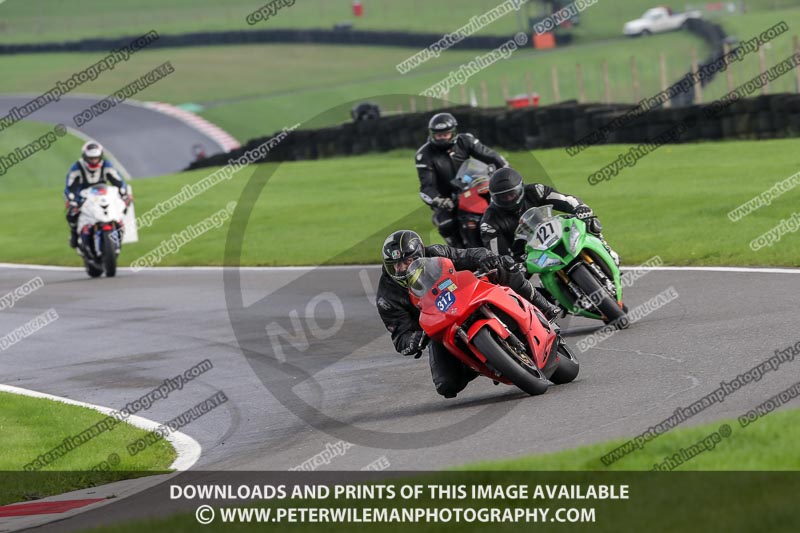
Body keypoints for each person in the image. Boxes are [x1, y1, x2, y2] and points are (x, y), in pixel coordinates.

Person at [376, 230, 562, 399]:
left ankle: (542, 305)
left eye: (407, 261)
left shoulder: (436, 253)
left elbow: (468, 255)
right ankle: (482, 361)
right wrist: (412, 341)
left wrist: (485, 258)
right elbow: (400, 337)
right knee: (447, 385)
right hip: (438, 326)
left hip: (466, 293)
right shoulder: (386, 296)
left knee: (504, 267)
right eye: (396, 266)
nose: (402, 269)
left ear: (420, 253)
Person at [480, 167, 619, 264]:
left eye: (511, 194)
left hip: (554, 233)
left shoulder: (535, 191)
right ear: (493, 197)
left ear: (521, 188)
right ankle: (549, 305)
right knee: (513, 283)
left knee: (586, 221)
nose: (508, 199)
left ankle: (606, 250)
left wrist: (579, 207)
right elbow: (497, 254)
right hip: (527, 257)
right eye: (502, 197)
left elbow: (565, 200)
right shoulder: (489, 222)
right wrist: (509, 264)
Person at [415, 112, 508, 247]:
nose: (441, 138)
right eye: (438, 134)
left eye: (444, 134)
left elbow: (492, 157)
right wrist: (440, 200)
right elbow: (427, 186)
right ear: (432, 134)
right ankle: (461, 253)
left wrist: (506, 172)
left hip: (471, 188)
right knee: (446, 224)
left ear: (453, 133)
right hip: (448, 199)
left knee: (504, 203)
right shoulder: (424, 155)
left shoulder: (466, 141)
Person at [64, 141, 131, 249]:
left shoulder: (107, 165)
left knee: (120, 207)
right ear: (85, 157)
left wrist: (124, 194)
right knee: (72, 214)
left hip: (103, 195)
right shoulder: (77, 167)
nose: (93, 161)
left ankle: (118, 227)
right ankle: (75, 235)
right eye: (91, 158)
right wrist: (72, 200)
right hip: (83, 196)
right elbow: (70, 186)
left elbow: (118, 181)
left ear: (100, 156)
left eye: (96, 157)